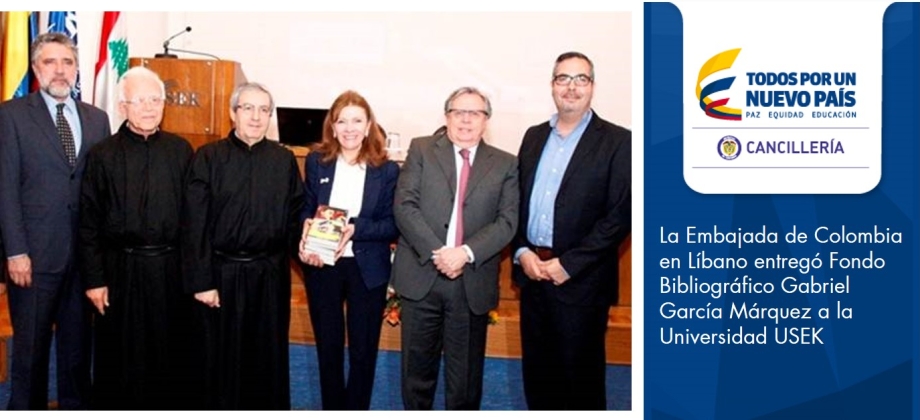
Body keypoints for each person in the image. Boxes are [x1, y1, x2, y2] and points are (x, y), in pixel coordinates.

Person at [513, 51, 631, 410]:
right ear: (552, 86)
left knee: (580, 381)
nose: (572, 87)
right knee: (538, 376)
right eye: (563, 78)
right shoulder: (533, 137)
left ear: (592, 87)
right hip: (533, 275)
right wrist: (522, 251)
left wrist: (570, 263)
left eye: (581, 79)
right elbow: (514, 202)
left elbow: (620, 215)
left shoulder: (618, 141)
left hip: (582, 282)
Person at [0, 32, 110, 410]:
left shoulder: (98, 119)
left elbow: (101, 192)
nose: (60, 70)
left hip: (83, 262)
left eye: (67, 62)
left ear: (77, 69)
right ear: (35, 69)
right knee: (30, 353)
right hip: (33, 259)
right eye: (50, 62)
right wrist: (16, 252)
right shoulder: (10, 116)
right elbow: (5, 189)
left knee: (78, 354)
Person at [391, 86, 519, 410]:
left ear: (486, 120)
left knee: (465, 380)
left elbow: (507, 221)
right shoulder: (421, 149)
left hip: (470, 282)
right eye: (458, 112)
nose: (465, 120)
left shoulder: (506, 164)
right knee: (416, 373)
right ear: (446, 117)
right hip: (422, 276)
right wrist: (439, 252)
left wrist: (464, 253)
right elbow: (405, 206)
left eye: (474, 113)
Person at [78, 66, 196, 409]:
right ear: (122, 106)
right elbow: (88, 223)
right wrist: (94, 280)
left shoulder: (181, 151)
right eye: (139, 100)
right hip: (119, 271)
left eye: (155, 99)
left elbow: (193, 219)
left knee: (169, 351)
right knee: (120, 356)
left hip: (169, 270)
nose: (149, 107)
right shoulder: (102, 155)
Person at [181, 82, 305, 410]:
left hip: (269, 276)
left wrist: (309, 250)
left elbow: (295, 219)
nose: (256, 116)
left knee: (266, 358)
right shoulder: (208, 158)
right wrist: (202, 281)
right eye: (247, 108)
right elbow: (194, 224)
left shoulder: (283, 160)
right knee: (219, 361)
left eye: (264, 110)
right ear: (233, 112)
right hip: (220, 277)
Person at [298, 90, 399, 410]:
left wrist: (356, 227)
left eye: (357, 120)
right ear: (333, 125)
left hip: (366, 269)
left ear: (369, 125)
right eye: (342, 121)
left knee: (362, 351)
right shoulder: (317, 161)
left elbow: (393, 224)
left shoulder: (387, 170)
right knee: (327, 348)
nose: (350, 128)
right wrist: (304, 229)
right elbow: (306, 207)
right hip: (323, 265)